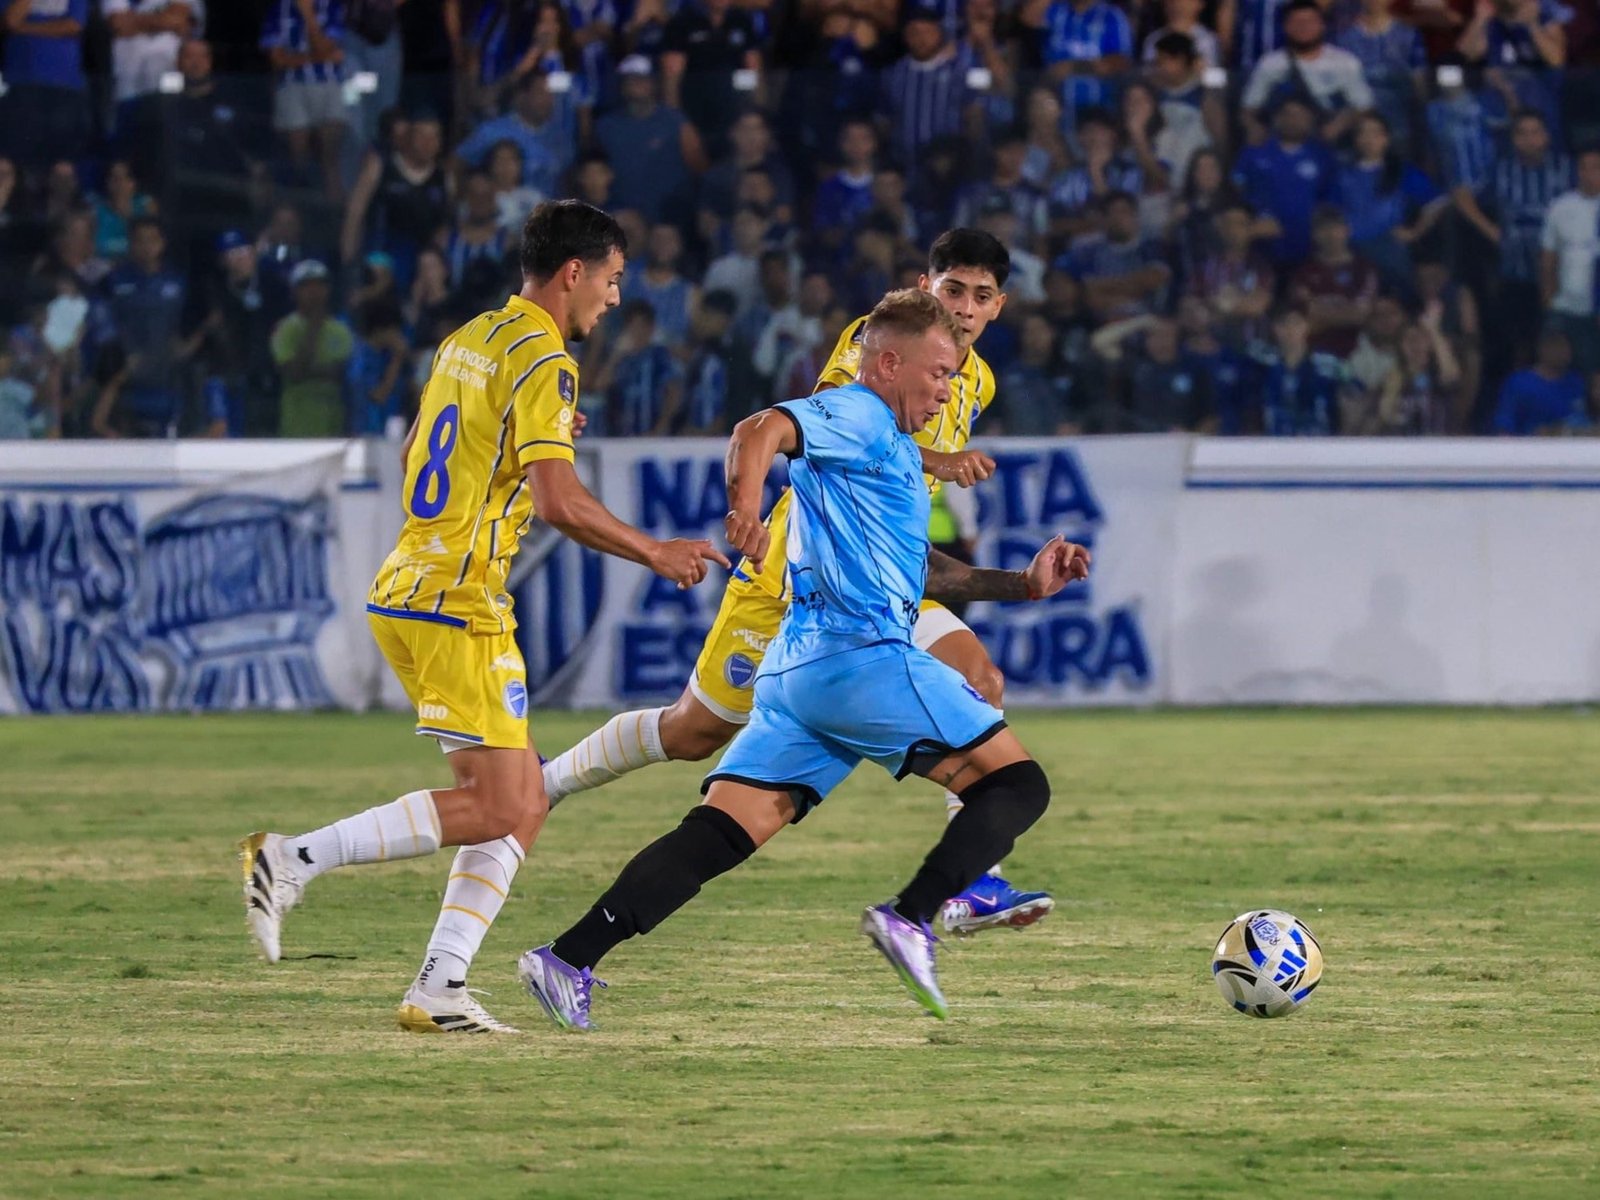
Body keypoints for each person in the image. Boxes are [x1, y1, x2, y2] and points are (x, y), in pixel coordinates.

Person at [517, 289, 1091, 1029]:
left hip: (798, 670)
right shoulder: (857, 411)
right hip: (860, 657)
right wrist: (746, 510)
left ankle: (567, 958)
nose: (948, 389)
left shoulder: (886, 449)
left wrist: (1022, 585)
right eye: (940, 372)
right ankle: (915, 915)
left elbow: (919, 569)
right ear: (888, 362)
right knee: (1018, 785)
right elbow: (759, 429)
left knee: (721, 832)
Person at [238, 201, 729, 1035]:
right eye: (610, 281)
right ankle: (291, 858)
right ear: (573, 273)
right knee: (504, 804)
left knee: (523, 798)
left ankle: (440, 985)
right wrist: (656, 551)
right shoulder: (549, 358)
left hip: (409, 584)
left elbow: (414, 456)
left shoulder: (467, 340)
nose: (613, 299)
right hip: (459, 601)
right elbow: (560, 501)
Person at [1241, 0, 1373, 147]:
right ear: (1286, 27)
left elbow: (1364, 106)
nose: (1303, 27)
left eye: (1309, 21)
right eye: (1297, 22)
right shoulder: (1270, 64)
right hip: (1282, 142)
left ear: (1322, 25)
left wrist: (1338, 126)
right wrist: (1254, 128)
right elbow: (1249, 108)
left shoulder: (1345, 62)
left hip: (1333, 144)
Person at [260, 0, 348, 203]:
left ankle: (333, 213)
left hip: (329, 85)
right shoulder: (278, 8)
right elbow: (277, 59)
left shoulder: (332, 6)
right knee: (298, 156)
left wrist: (308, 16)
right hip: (292, 86)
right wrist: (318, 57)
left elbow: (327, 46)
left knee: (330, 157)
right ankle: (301, 205)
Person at [269, 259, 354, 436]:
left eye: (319, 286)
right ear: (295, 292)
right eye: (306, 286)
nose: (314, 292)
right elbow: (294, 372)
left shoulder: (340, 331)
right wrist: (314, 328)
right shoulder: (285, 329)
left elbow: (340, 373)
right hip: (295, 427)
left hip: (333, 426)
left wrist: (312, 370)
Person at [1538, 148, 1600, 378]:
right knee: (1554, 368)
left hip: (1596, 310)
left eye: (1596, 167)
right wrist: (1548, 302)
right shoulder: (1560, 207)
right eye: (1584, 167)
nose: (1590, 173)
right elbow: (1547, 259)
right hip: (1564, 308)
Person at [1492, 329, 1589, 435]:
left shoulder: (1576, 382)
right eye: (1556, 346)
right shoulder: (1519, 383)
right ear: (1542, 349)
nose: (1563, 352)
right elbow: (1504, 425)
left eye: (1565, 346)